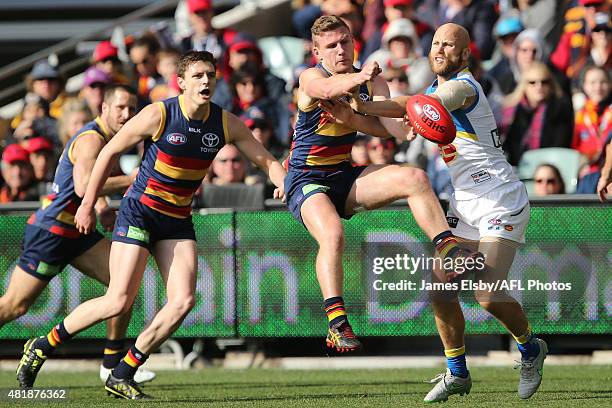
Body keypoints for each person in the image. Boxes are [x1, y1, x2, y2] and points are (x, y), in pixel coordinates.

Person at [16, 51, 286, 399]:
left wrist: (284, 181)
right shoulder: (160, 113)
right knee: (117, 300)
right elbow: (108, 152)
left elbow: (265, 159)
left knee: (183, 300)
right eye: (198, 76)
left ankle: (124, 370)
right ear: (181, 82)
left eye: (210, 75)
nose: (206, 82)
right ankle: (42, 344)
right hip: (140, 212)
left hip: (177, 220)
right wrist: (87, 204)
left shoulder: (225, 122)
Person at [345, 23, 547, 402]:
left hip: (500, 197)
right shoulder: (435, 92)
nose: (439, 49)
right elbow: (414, 104)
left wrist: (398, 105)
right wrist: (364, 106)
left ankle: (531, 348)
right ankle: (457, 373)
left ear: (465, 54)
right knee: (440, 287)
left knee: (486, 293)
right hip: (465, 201)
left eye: (449, 45)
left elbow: (433, 103)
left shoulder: (465, 87)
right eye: (436, 43)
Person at [287, 15, 481, 355]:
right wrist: (360, 79)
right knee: (332, 233)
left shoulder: (369, 79)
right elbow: (325, 90)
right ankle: (337, 323)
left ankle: (449, 248)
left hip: (342, 175)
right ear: (317, 51)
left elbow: (389, 127)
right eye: (331, 45)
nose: (340, 49)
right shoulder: (312, 76)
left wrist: (406, 124)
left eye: (345, 41)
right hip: (305, 178)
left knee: (414, 177)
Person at [7, 85, 155, 386]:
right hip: (51, 231)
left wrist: (101, 208)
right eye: (120, 108)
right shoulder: (92, 139)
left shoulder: (109, 139)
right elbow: (83, 185)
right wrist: (134, 178)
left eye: (131, 109)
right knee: (15, 306)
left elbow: (91, 188)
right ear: (104, 109)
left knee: (122, 287)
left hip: (76, 230)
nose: (127, 115)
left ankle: (111, 364)